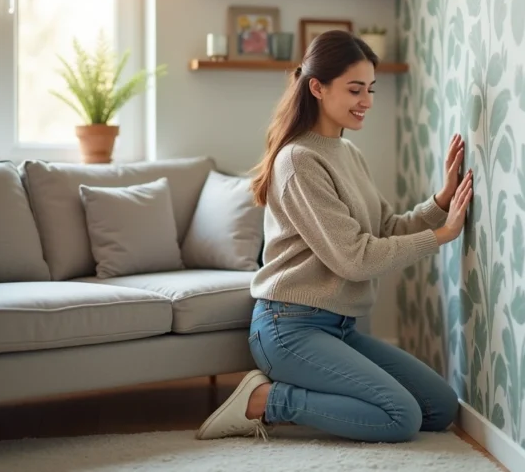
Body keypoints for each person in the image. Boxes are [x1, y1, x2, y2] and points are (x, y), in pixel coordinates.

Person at [195, 29, 474, 444]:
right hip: (289, 328)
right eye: (355, 89)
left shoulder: (348, 153)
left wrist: (441, 201)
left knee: (439, 407)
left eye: (371, 89)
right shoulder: (298, 160)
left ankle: (292, 394)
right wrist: (441, 235)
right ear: (317, 88)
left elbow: (385, 229)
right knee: (400, 418)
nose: (367, 101)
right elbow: (355, 259)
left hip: (340, 327)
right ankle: (266, 401)